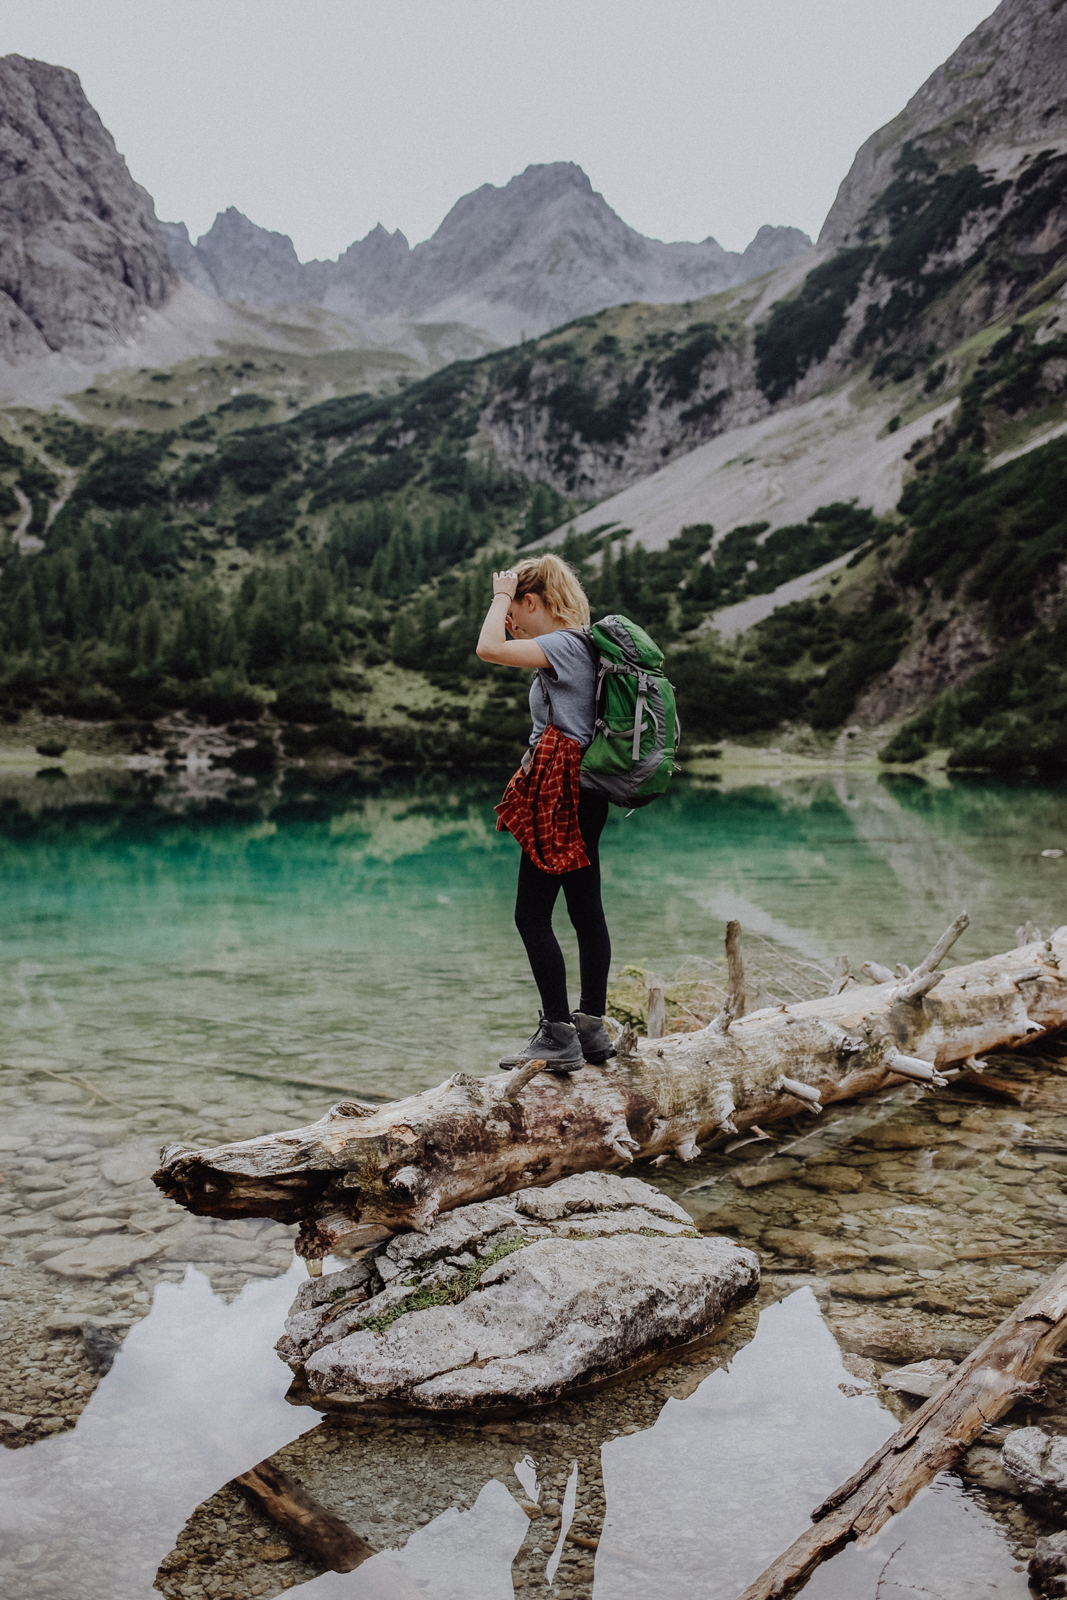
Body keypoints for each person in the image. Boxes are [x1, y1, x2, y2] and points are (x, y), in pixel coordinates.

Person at [476, 553, 615, 1075]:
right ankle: (591, 1030)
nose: (511, 625)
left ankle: (558, 1032)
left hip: (560, 794)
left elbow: (488, 648)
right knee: (585, 912)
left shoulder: (562, 643)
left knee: (530, 915)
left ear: (532, 601)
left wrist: (498, 595)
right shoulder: (587, 646)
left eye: (516, 613)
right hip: (587, 793)